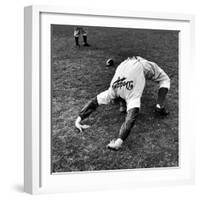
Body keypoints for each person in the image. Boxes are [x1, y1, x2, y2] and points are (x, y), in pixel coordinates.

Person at [75, 56, 170, 150]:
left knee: (124, 93)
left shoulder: (113, 90)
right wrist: (118, 142)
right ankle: (159, 106)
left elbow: (95, 101)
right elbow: (131, 117)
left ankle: (123, 104)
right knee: (165, 79)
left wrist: (78, 120)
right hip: (133, 64)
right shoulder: (123, 92)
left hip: (128, 65)